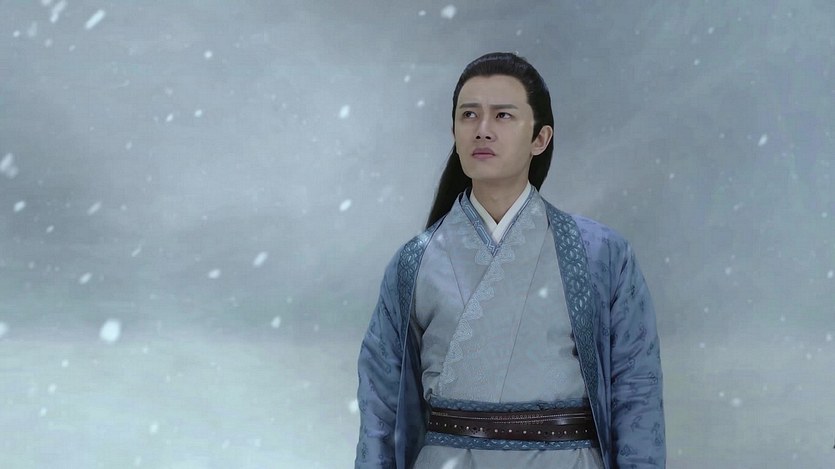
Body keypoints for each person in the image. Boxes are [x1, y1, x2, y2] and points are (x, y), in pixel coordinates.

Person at [355, 52, 665, 469]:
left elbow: (636, 391)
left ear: (540, 138)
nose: (482, 129)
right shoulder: (415, 261)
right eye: (469, 115)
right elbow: (380, 405)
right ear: (454, 131)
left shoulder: (601, 254)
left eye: (503, 115)